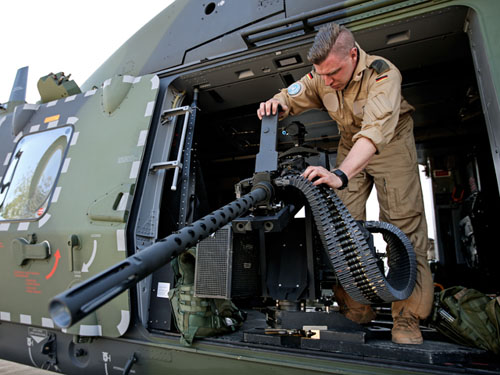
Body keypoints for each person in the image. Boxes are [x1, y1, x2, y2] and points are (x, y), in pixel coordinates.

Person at [257, 23, 433, 345]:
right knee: (342, 227)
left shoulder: (383, 75)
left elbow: (374, 134)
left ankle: (407, 318)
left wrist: (339, 174)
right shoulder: (323, 75)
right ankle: (356, 308)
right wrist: (277, 104)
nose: (327, 82)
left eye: (333, 73)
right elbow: (296, 93)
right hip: (350, 143)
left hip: (389, 143)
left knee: (404, 227)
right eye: (321, 75)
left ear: (353, 55)